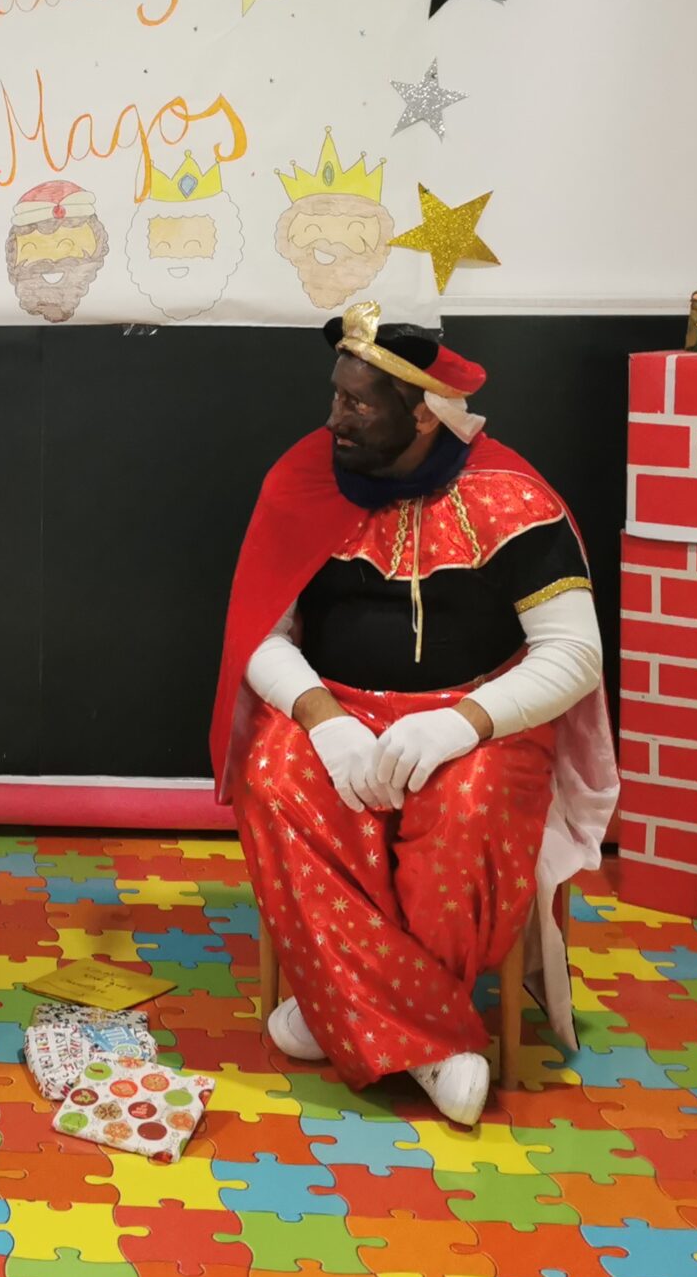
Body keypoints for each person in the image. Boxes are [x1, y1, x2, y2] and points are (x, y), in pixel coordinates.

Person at [208, 304, 616, 1126]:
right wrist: (324, 720)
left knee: (469, 804)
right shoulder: (302, 478)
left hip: (477, 718)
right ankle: (425, 1035)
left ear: (424, 414)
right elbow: (261, 633)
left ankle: (341, 1009)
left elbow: (574, 652)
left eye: (357, 404)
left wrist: (460, 724)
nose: (334, 419)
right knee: (275, 775)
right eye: (336, 395)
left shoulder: (510, 496)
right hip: (337, 705)